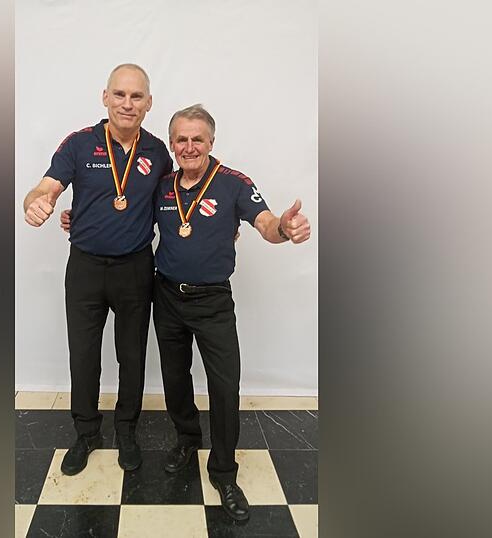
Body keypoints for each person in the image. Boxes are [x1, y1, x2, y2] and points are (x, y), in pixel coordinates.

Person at [62, 104, 310, 521]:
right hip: (167, 297)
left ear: (211, 142)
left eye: (198, 139)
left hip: (213, 301)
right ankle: (186, 438)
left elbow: (266, 222)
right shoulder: (161, 185)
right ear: (172, 144)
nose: (189, 146)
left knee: (224, 385)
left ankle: (224, 472)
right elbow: (124, 211)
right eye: (181, 139)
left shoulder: (233, 183)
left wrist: (284, 229)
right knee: (175, 378)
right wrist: (80, 217)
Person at [22, 64, 173, 475]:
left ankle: (127, 430)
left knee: (132, 356)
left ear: (149, 103)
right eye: (120, 95)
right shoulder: (79, 144)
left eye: (136, 96)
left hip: (136, 269)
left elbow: (173, 201)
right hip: (86, 268)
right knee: (84, 356)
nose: (127, 103)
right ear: (105, 97)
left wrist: (218, 228)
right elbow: (45, 187)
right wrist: (36, 202)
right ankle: (86, 433)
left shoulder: (158, 152)